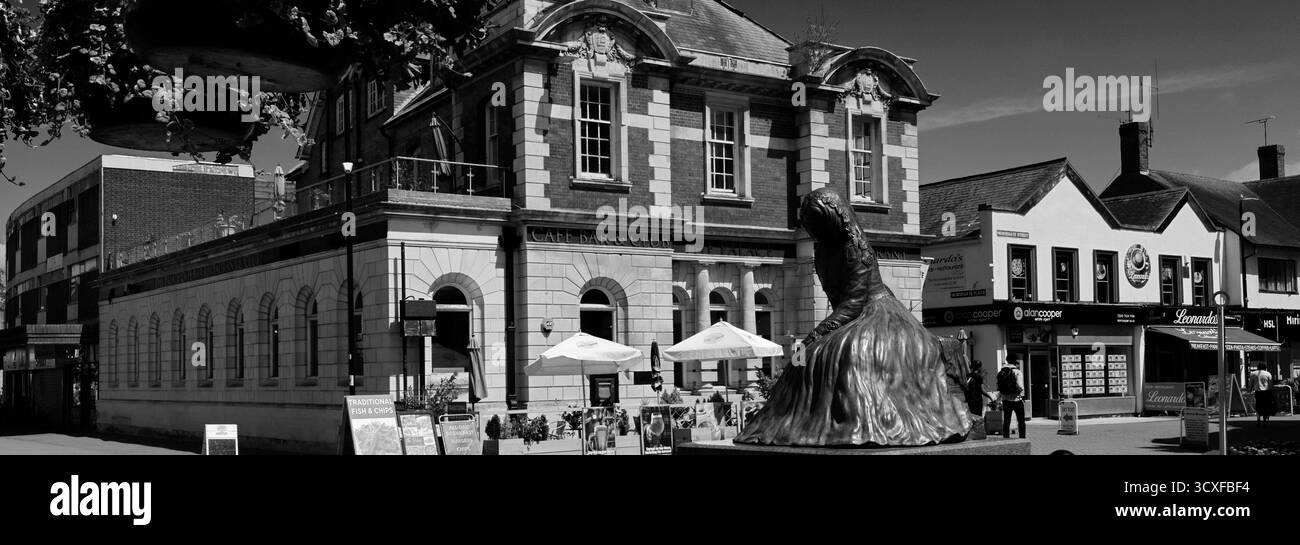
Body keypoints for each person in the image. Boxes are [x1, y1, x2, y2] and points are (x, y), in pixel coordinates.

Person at [734, 189, 971, 446]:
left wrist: (818, 332)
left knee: (851, 351)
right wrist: (819, 335)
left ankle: (861, 421)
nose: (815, 232)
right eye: (811, 226)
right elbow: (839, 302)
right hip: (850, 314)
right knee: (803, 358)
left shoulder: (856, 250)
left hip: (878, 311)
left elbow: (853, 303)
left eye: (819, 225)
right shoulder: (822, 252)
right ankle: (797, 423)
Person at [997, 354, 1027, 439]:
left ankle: (1006, 437)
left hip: (1005, 400)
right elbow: (1020, 387)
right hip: (1017, 400)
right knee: (1021, 420)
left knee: (1006, 420)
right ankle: (1022, 437)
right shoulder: (1017, 372)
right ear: (1015, 361)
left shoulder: (1001, 372)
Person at [1249, 362, 1275, 427]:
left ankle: (1258, 419)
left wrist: (1249, 390)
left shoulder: (1253, 373)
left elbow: (1250, 384)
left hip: (1258, 392)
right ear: (1265, 367)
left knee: (1258, 406)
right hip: (1266, 392)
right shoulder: (1268, 373)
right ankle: (1265, 421)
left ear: (1258, 367)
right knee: (1265, 406)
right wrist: (1272, 391)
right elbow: (1271, 383)